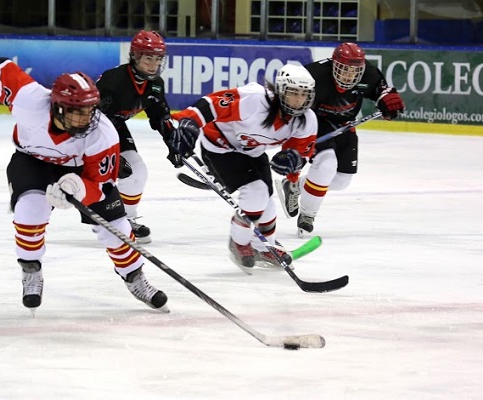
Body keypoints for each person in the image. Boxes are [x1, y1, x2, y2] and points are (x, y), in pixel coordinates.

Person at [0, 56, 169, 312]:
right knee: (29, 211)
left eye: (89, 111)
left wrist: (79, 189)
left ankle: (135, 278)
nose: (86, 119)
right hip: (32, 161)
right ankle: (31, 269)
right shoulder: (29, 101)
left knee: (116, 227)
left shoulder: (104, 133)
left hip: (80, 170)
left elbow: (101, 186)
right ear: (56, 107)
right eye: (77, 112)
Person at [171, 64, 318, 271]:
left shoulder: (307, 121)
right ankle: (239, 242)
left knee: (267, 206)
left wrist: (293, 162)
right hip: (220, 147)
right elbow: (212, 104)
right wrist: (190, 123)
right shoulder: (255, 100)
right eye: (293, 93)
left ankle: (263, 247)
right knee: (256, 193)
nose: (298, 100)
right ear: (280, 90)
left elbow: (301, 152)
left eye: (304, 94)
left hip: (253, 153)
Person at [278, 42, 405, 237]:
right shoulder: (314, 75)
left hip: (345, 124)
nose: (348, 76)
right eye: (344, 70)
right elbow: (292, 101)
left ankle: (294, 186)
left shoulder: (368, 75)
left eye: (354, 72)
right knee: (326, 164)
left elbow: (381, 91)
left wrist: (388, 101)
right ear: (334, 65)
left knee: (341, 180)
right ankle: (307, 215)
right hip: (316, 121)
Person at [96, 30, 178, 244]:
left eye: (158, 58)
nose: (153, 64)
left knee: (137, 171)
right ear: (135, 56)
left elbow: (161, 116)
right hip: (90, 135)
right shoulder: (113, 80)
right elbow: (90, 121)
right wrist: (108, 154)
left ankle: (125, 220)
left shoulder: (156, 84)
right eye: (148, 58)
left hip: (115, 128)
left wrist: (175, 141)